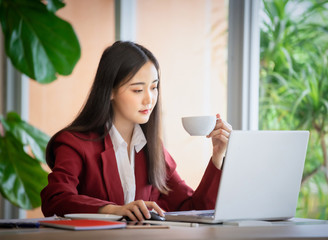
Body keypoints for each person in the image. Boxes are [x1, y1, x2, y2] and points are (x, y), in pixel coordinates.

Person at [40, 41, 232, 221]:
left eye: (154, 87)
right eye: (138, 90)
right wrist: (113, 209)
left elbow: (193, 208)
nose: (149, 99)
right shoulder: (74, 143)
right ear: (111, 91)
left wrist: (217, 157)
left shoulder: (153, 148)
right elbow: (56, 199)